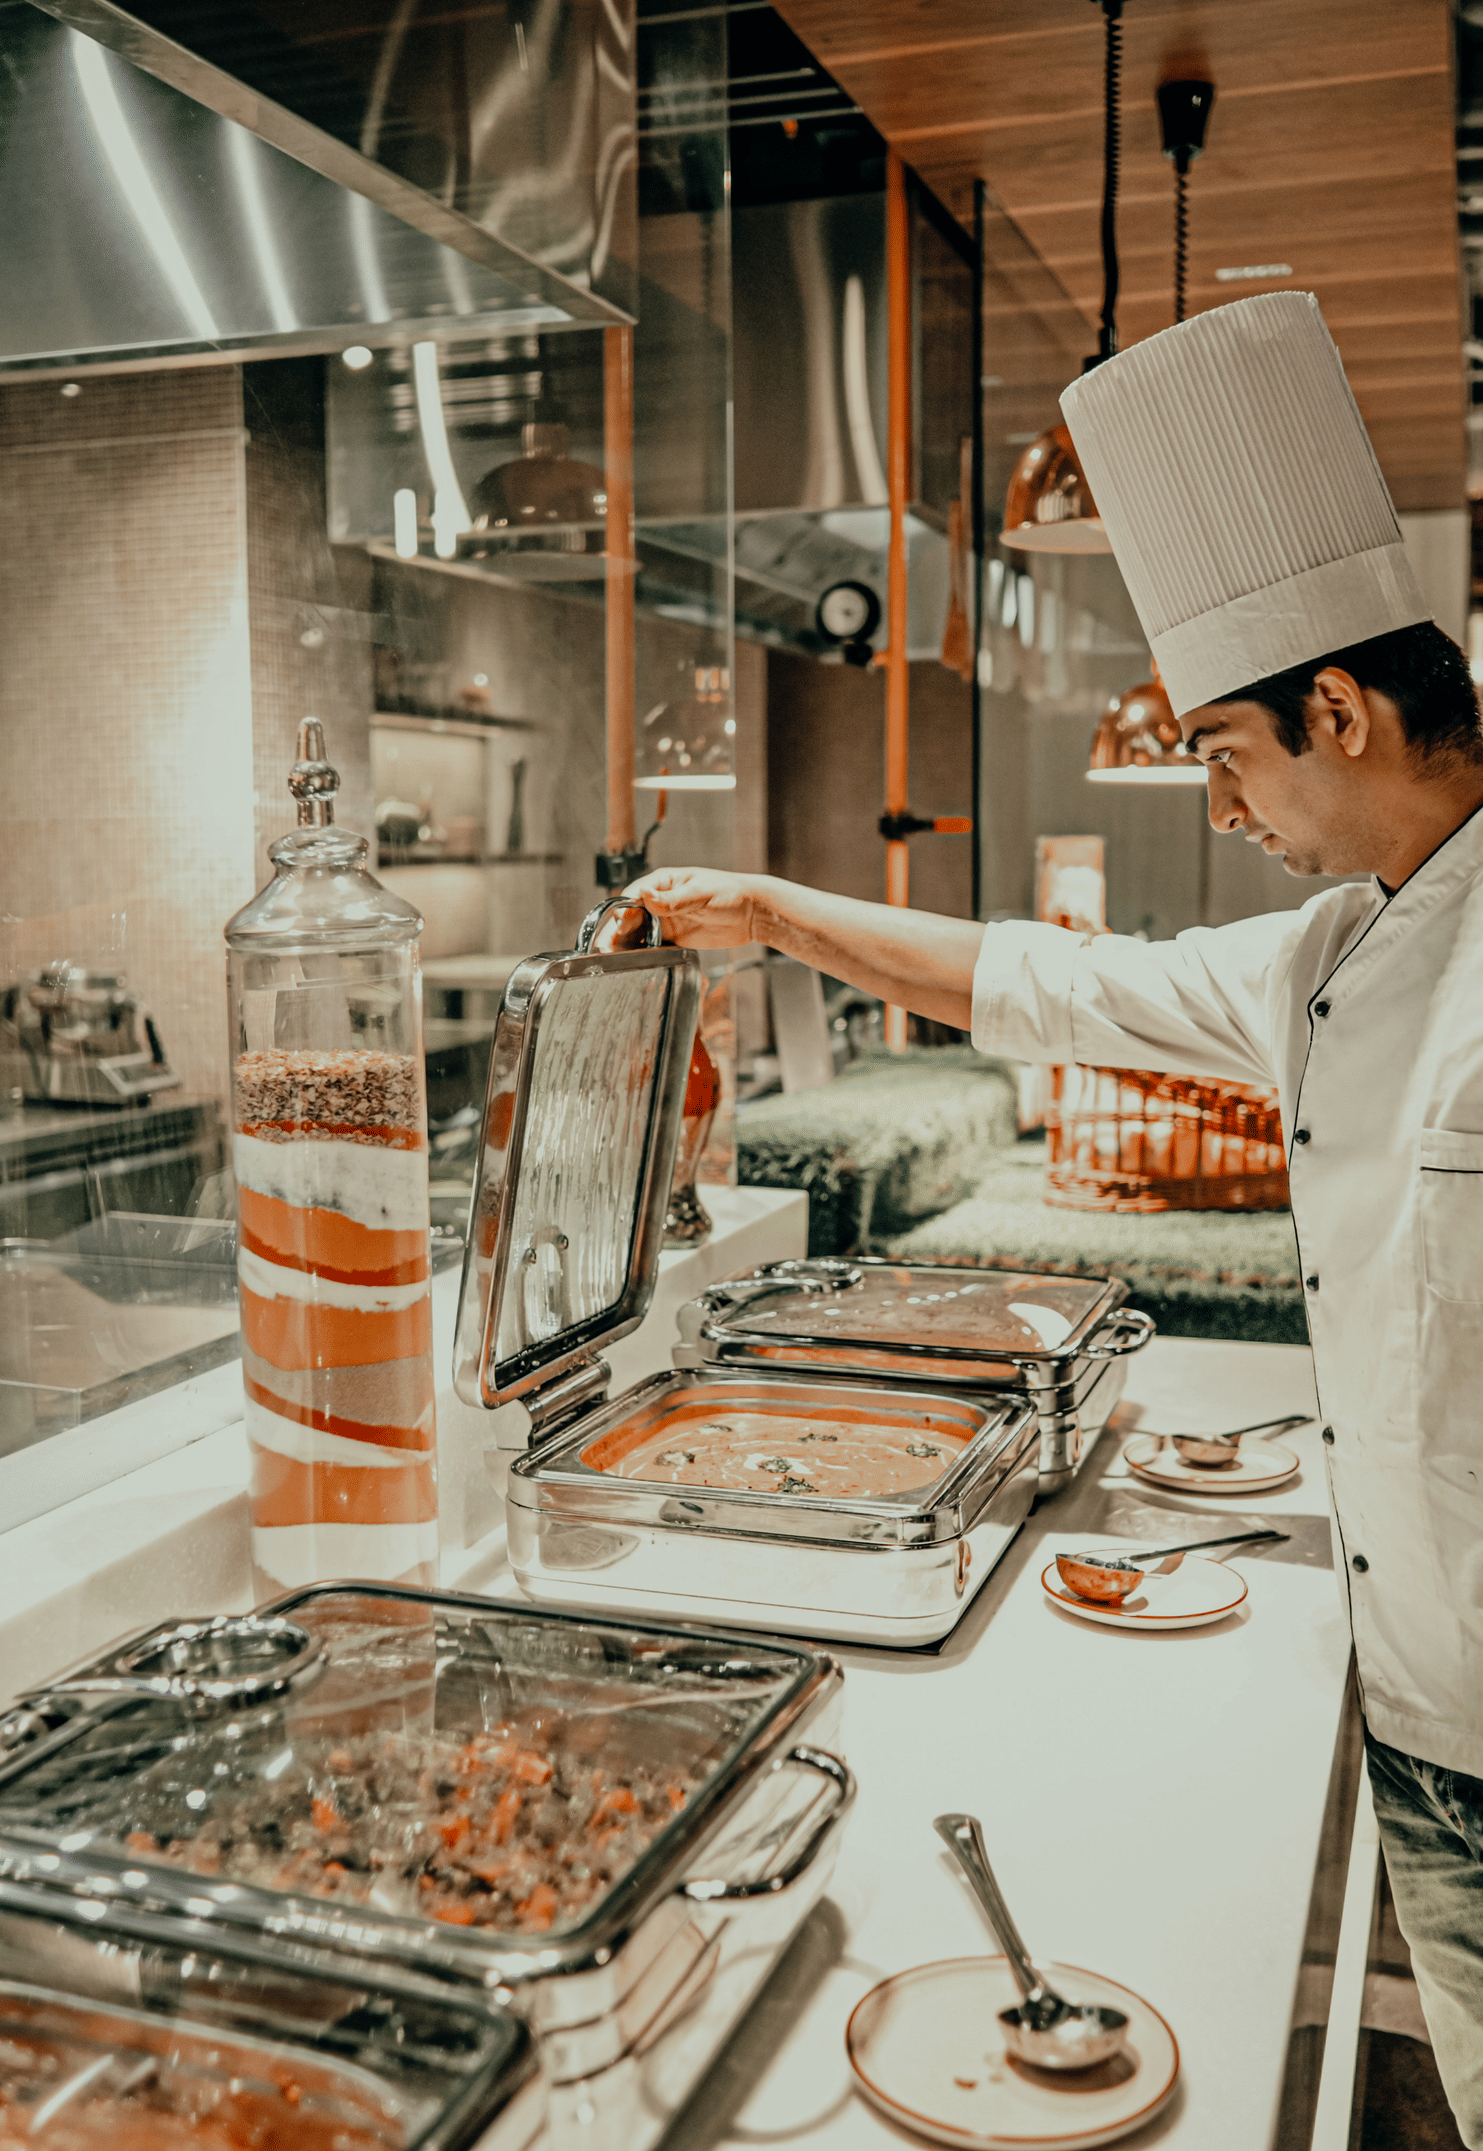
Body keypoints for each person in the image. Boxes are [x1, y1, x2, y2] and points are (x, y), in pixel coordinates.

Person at [627, 292, 1483, 2144]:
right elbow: (1053, 985)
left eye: (1229, 753)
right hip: (1418, 1694)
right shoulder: (1331, 946)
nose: (1224, 803)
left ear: (1340, 709)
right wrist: (778, 908)